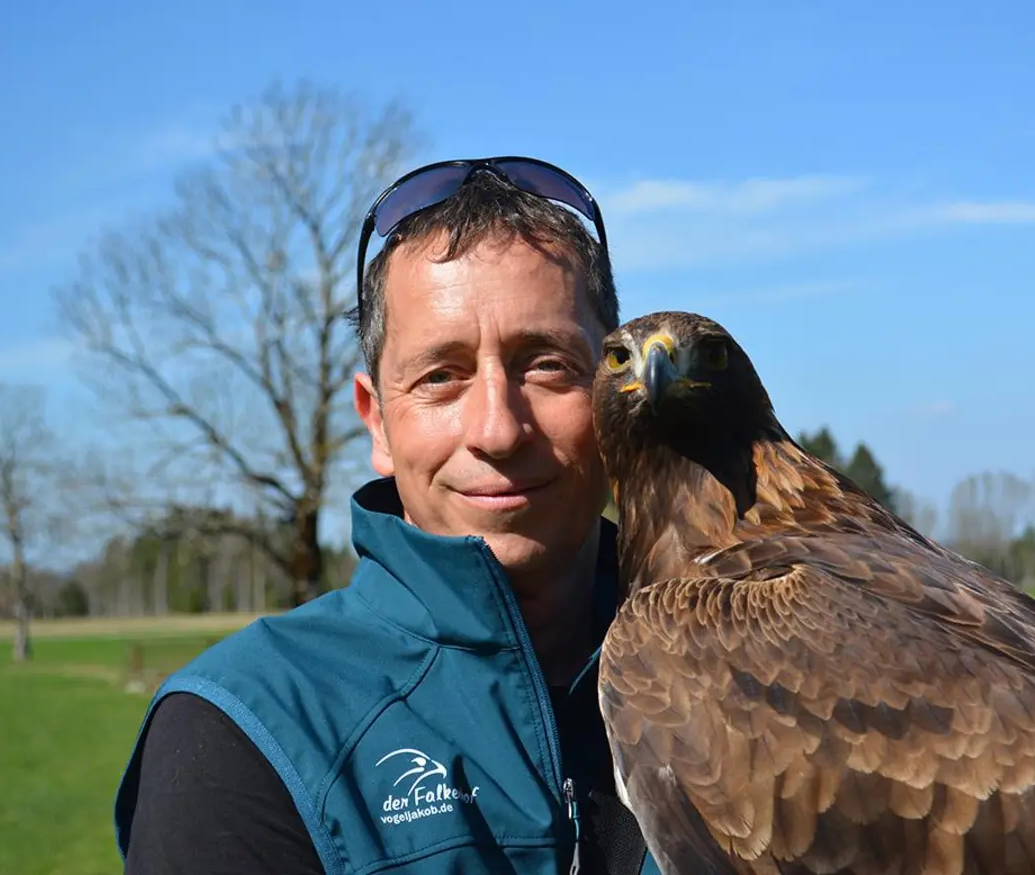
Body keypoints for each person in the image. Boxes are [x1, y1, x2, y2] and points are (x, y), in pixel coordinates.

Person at [112, 157, 660, 875]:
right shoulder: (241, 733)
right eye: (441, 376)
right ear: (377, 421)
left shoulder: (765, 682)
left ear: (617, 394)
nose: (497, 429)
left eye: (547, 364)